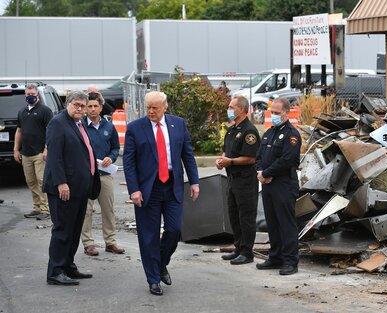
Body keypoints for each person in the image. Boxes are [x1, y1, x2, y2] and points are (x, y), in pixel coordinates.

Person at [123, 91, 199, 296]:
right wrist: (134, 190)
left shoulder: (178, 124)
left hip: (172, 185)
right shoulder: (135, 129)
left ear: (165, 107)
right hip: (148, 189)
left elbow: (187, 155)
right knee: (148, 236)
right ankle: (153, 279)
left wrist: (194, 182)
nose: (151, 111)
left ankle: (160, 263)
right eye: (148, 107)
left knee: (174, 230)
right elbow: (128, 163)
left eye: (155, 108)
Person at [43, 91, 101, 286]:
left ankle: (68, 266)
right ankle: (55, 271)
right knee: (63, 230)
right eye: (76, 105)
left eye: (83, 106)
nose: (80, 109)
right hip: (64, 189)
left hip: (79, 189)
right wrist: (61, 182)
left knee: (75, 230)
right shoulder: (58, 123)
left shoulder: (78, 123)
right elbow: (54, 156)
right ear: (67, 104)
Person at [255, 97, 301, 276]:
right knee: (272, 222)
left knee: (286, 224)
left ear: (285, 113)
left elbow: (287, 160)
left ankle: (290, 261)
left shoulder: (291, 134)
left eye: (276, 112)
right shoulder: (269, 133)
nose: (273, 115)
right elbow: (259, 156)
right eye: (271, 112)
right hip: (268, 185)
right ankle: (275, 257)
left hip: (283, 185)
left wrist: (266, 174)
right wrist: (260, 171)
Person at [216, 96, 260, 265]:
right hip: (232, 179)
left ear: (241, 109)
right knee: (234, 215)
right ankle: (239, 247)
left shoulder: (249, 131)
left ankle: (247, 252)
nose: (229, 110)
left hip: (246, 181)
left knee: (246, 217)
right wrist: (221, 160)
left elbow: (251, 158)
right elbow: (226, 152)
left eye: (231, 107)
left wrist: (231, 162)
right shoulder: (232, 129)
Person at [80, 92, 124, 256]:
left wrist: (110, 158)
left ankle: (110, 242)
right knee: (86, 210)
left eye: (95, 106)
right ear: (85, 108)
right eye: (89, 106)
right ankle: (88, 243)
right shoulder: (80, 126)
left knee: (108, 209)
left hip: (105, 174)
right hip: (86, 175)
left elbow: (115, 148)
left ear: (100, 108)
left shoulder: (109, 126)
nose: (92, 109)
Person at [14, 83, 53, 220]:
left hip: (39, 153)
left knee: (42, 181)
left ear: (37, 95)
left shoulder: (45, 111)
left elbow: (50, 131)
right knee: (31, 181)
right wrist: (16, 149)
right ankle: (37, 207)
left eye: (33, 94)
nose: (30, 97)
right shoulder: (22, 112)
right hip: (26, 153)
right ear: (25, 95)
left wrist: (46, 149)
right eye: (28, 94)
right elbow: (19, 131)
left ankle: (46, 209)